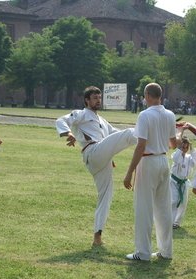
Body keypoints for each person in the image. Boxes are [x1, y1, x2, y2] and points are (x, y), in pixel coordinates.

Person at [56, 86, 136, 246]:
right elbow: (60, 120)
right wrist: (68, 133)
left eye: (99, 98)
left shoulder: (103, 121)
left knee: (106, 196)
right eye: (95, 98)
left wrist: (110, 151)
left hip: (102, 157)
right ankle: (153, 137)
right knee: (130, 134)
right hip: (92, 152)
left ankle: (97, 236)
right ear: (87, 100)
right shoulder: (81, 113)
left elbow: (115, 134)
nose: (98, 100)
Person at [123, 83, 177, 261]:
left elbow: (141, 145)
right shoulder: (169, 115)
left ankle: (143, 252)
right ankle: (166, 251)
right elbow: (173, 144)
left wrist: (130, 171)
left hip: (148, 161)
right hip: (163, 160)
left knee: (144, 208)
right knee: (163, 208)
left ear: (147, 95)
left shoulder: (145, 115)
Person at [169, 136, 196, 229]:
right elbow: (176, 159)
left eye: (187, 148)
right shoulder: (175, 154)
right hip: (174, 181)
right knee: (174, 201)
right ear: (179, 147)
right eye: (183, 147)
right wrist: (179, 148)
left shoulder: (189, 157)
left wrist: (192, 148)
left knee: (183, 203)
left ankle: (177, 222)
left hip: (184, 182)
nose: (185, 149)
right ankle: (170, 222)